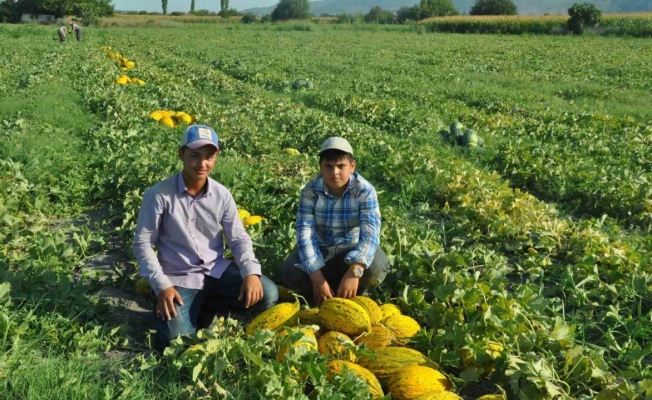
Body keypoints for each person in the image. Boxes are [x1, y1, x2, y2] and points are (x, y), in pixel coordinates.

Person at [132, 124, 279, 348]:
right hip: (179, 277)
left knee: (267, 293)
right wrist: (161, 285)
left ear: (216, 157)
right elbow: (143, 244)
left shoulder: (221, 194)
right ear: (181, 154)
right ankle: (181, 307)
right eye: (194, 156)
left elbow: (238, 238)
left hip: (216, 270)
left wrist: (250, 272)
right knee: (176, 342)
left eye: (209, 157)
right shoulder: (159, 195)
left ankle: (208, 304)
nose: (202, 164)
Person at [281, 137, 390, 305]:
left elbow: (370, 235)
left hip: (352, 247)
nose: (335, 172)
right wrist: (317, 279)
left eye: (341, 166)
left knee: (377, 265)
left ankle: (352, 293)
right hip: (322, 248)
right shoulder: (310, 191)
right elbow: (305, 236)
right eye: (328, 167)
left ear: (352, 166)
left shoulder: (365, 191)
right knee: (290, 270)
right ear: (321, 167)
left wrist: (355, 271)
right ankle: (322, 293)